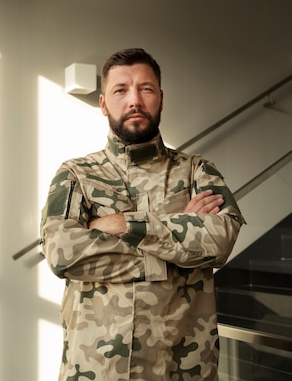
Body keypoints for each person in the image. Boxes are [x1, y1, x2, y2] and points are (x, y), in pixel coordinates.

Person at [40, 48, 245, 381]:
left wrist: (123, 225)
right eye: (121, 90)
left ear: (161, 98)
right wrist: (176, 245)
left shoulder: (198, 171)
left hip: (182, 369)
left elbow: (219, 241)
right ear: (103, 103)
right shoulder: (75, 175)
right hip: (96, 369)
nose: (134, 100)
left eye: (145, 89)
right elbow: (62, 253)